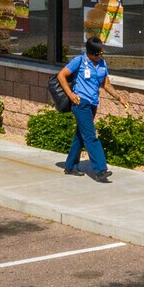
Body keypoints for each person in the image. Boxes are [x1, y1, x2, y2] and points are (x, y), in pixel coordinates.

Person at [54, 37, 117, 182]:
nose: (101, 56)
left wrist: (119, 97)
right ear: (90, 53)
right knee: (90, 136)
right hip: (80, 104)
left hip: (93, 104)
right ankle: (101, 170)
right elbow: (61, 75)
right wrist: (71, 95)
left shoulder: (102, 64)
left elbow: (105, 84)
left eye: (102, 53)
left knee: (81, 136)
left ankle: (70, 166)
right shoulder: (79, 61)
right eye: (98, 54)